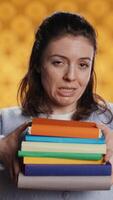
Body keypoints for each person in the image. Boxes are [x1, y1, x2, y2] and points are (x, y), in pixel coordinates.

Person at [0, 11, 113, 199]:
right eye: (58, 62)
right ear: (37, 63)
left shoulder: (109, 119)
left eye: (83, 65)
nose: (71, 76)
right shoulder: (6, 122)